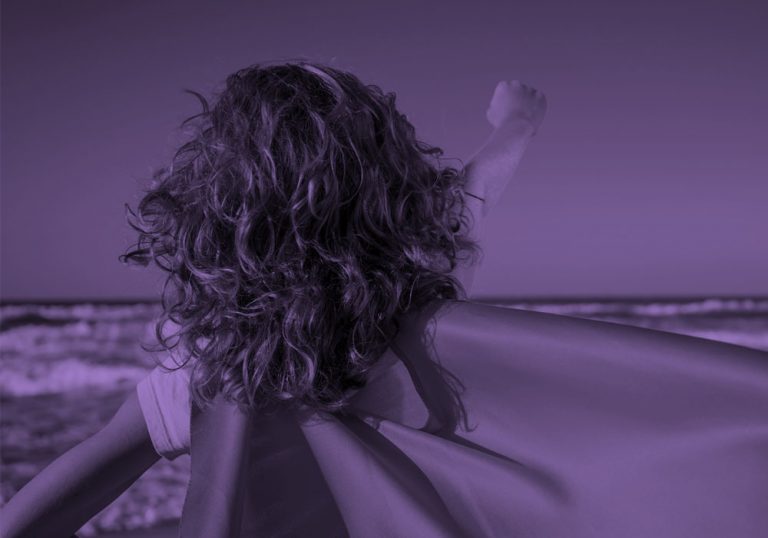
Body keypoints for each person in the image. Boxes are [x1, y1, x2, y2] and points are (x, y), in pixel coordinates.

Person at [2, 62, 767, 538]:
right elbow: (476, 188)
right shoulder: (423, 320)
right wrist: (517, 118)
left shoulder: (201, 379)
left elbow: (40, 512)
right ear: (400, 200)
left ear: (214, 217)